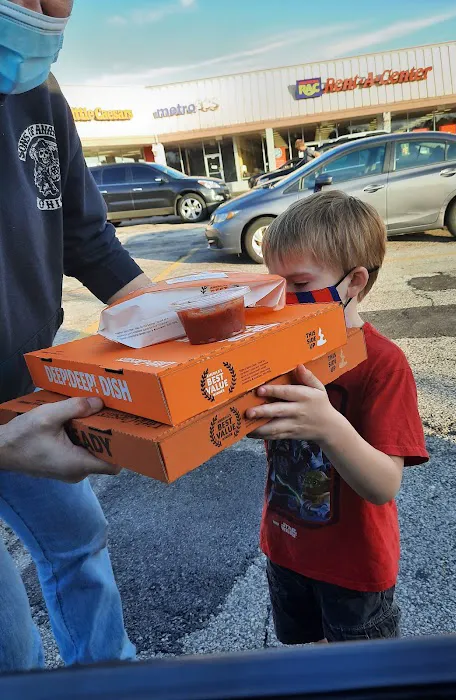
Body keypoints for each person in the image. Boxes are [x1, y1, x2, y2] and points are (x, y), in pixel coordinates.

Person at [0, 0, 152, 672]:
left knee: (80, 542)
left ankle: (111, 678)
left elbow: (87, 238)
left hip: (24, 394)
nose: (47, 13)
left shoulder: (39, 92)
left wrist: (190, 338)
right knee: (9, 643)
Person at [246, 191, 428, 644]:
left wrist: (328, 425)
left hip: (353, 567)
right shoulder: (280, 352)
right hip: (286, 547)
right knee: (309, 655)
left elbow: (384, 484)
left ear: (354, 282)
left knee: (362, 671)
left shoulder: (382, 364)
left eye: (298, 284)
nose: (283, 300)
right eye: (274, 286)